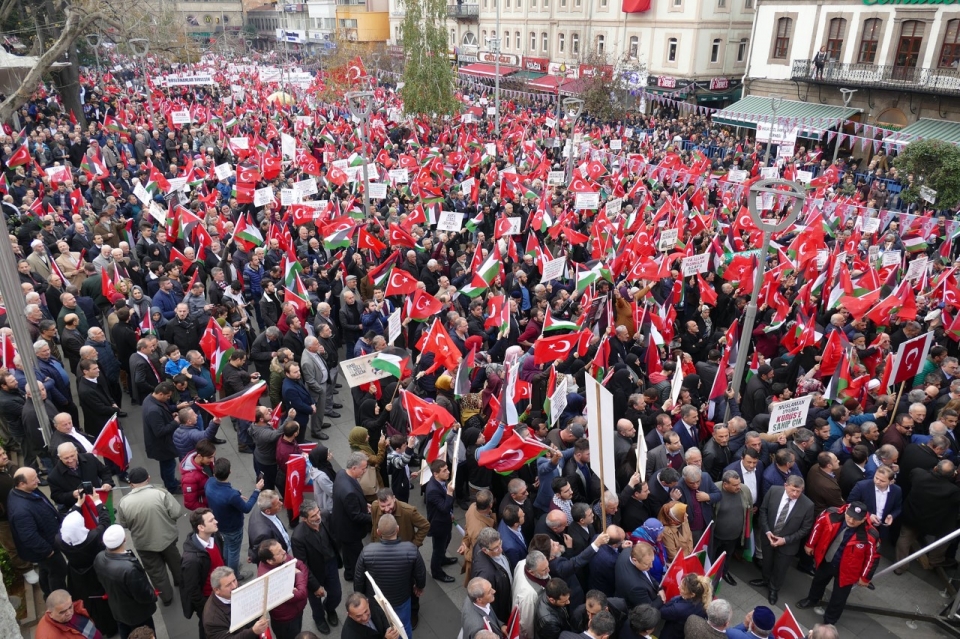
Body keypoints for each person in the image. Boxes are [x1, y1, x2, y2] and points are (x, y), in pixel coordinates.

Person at [797, 502, 880, 625]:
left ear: (863, 519)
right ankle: (812, 599)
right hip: (827, 560)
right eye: (849, 516)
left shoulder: (871, 535)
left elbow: (872, 557)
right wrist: (810, 544)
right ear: (846, 511)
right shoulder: (830, 515)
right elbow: (817, 528)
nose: (851, 521)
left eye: (856, 519)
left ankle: (830, 620)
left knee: (839, 597)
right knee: (818, 582)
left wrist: (865, 577)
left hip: (848, 570)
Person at [115, 467, 183, 606]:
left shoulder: (124, 502)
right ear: (148, 478)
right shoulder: (160, 493)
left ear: (131, 483)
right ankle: (181, 581)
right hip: (167, 538)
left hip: (144, 544)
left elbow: (124, 524)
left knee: (156, 572)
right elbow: (176, 512)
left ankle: (166, 597)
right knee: (175, 561)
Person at [355, 514, 426, 639]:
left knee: (380, 628)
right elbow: (420, 574)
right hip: (401, 599)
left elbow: (358, 579)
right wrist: (419, 586)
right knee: (404, 626)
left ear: (378, 532)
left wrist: (361, 597)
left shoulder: (367, 551)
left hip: (376, 602)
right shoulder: (411, 549)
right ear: (397, 529)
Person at [749, 475, 815, 605]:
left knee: (781, 568)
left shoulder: (808, 505)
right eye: (792, 490)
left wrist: (785, 540)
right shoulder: (774, 491)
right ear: (785, 486)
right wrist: (767, 531)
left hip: (788, 544)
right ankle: (765, 579)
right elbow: (763, 511)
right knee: (766, 561)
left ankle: (774, 589)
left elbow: (805, 529)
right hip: (769, 537)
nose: (795, 494)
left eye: (799, 491)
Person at [7, 466, 67, 597]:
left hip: (48, 542)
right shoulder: (21, 510)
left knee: (46, 570)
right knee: (58, 571)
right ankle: (60, 598)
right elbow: (29, 536)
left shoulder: (27, 491)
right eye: (34, 479)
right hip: (46, 549)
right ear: (21, 484)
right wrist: (48, 551)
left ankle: (47, 592)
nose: (38, 481)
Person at [93, 524, 158, 639]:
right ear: (124, 539)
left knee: (124, 631)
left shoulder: (99, 558)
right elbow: (142, 594)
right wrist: (153, 596)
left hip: (118, 609)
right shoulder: (129, 569)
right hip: (138, 614)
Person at [203, 458, 264, 574]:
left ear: (214, 472)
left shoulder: (209, 482)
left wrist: (236, 495)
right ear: (230, 472)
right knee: (234, 552)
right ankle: (234, 574)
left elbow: (222, 496)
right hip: (233, 528)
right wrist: (257, 490)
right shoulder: (231, 495)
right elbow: (246, 508)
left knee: (226, 546)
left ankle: (226, 564)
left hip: (219, 524)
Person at [291, 500, 342, 635]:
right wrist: (315, 586)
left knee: (336, 594)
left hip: (330, 563)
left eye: (318, 512)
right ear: (304, 519)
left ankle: (330, 608)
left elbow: (334, 535)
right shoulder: (298, 537)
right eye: (313, 516)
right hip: (313, 572)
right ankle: (319, 619)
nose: (318, 516)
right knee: (315, 600)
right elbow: (303, 566)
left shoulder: (325, 516)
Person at [180, 508, 225, 639]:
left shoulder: (215, 536)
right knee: (208, 627)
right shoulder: (191, 560)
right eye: (211, 520)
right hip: (209, 599)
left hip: (222, 592)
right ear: (201, 527)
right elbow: (192, 589)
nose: (216, 521)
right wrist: (204, 608)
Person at [331, 451, 373, 581]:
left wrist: (364, 504)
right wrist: (375, 516)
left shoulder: (341, 473)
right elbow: (356, 516)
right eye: (363, 468)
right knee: (355, 556)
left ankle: (349, 572)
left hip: (341, 525)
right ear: (354, 468)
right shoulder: (349, 492)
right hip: (350, 532)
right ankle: (356, 576)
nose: (365, 471)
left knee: (348, 555)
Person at [257, 539, 309, 639]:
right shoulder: (270, 579)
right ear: (270, 561)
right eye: (279, 552)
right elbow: (301, 594)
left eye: (282, 549)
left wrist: (299, 581)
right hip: (287, 621)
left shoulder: (281, 558)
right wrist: (298, 574)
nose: (284, 552)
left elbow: (302, 566)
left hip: (296, 611)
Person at [202, 566, 270, 639]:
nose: (234, 586)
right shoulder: (212, 619)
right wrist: (253, 631)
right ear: (217, 590)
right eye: (228, 585)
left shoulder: (235, 590)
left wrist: (259, 616)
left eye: (234, 580)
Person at [711, 470, 752, 586]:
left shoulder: (745, 490)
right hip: (716, 536)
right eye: (735, 485)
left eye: (739, 483)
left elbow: (749, 510)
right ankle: (709, 577)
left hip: (734, 535)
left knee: (727, 555)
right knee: (712, 556)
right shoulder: (715, 490)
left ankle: (724, 572)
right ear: (725, 484)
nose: (739, 487)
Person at [46, 442, 113, 510]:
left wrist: (107, 482)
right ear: (60, 457)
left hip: (99, 502)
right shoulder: (54, 476)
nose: (70, 460)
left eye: (72, 456)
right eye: (66, 458)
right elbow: (56, 497)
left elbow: (105, 471)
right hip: (78, 510)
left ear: (76, 452)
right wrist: (72, 495)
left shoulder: (90, 458)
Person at [141, 381, 182, 493]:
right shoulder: (153, 410)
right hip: (162, 445)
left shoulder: (150, 399)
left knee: (166, 465)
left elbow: (162, 416)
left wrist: (169, 415)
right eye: (168, 396)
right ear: (160, 394)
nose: (168, 399)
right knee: (169, 465)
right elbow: (160, 431)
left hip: (161, 444)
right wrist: (175, 422)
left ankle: (170, 482)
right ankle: (172, 487)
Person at [469, 527, 514, 628]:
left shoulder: (482, 545)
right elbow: (489, 604)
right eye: (496, 548)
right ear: (485, 550)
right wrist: (500, 623)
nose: (501, 549)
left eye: (500, 544)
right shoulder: (486, 575)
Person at [425, 458, 459, 582]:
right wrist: (450, 493)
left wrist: (451, 513)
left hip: (445, 521)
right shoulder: (433, 490)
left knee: (446, 540)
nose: (448, 472)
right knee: (438, 549)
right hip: (438, 525)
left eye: (447, 469)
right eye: (444, 471)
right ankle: (437, 572)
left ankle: (442, 559)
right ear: (436, 474)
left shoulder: (441, 482)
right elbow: (444, 507)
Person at [657, 573, 712, 639]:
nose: (678, 587)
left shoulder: (678, 608)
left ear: (692, 594)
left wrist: (674, 598)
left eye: (683, 588)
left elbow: (661, 612)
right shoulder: (703, 600)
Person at [36, 589, 103, 639]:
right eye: (62, 612)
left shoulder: (72, 607)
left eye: (70, 607)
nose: (69, 613)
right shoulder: (46, 636)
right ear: (50, 613)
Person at [614, 543, 664, 609]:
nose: (651, 566)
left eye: (652, 561)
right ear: (635, 560)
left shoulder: (628, 551)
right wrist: (661, 598)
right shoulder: (636, 587)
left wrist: (659, 588)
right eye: (647, 564)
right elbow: (649, 608)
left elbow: (648, 576)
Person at [247, 490, 291, 563]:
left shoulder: (262, 509)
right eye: (277, 504)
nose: (281, 503)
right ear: (267, 511)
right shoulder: (264, 534)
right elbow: (265, 555)